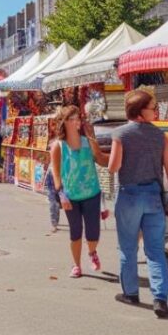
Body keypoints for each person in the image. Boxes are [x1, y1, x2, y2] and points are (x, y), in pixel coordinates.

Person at [108, 89, 168, 318]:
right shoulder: (159, 136)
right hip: (153, 197)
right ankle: (160, 299)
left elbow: (113, 167)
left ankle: (131, 292)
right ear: (140, 111)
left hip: (129, 196)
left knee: (128, 247)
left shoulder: (120, 133)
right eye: (152, 107)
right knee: (155, 250)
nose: (155, 111)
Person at [50, 105, 108, 279]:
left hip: (91, 193)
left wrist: (92, 137)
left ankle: (92, 251)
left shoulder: (87, 140)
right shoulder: (58, 146)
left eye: (78, 118)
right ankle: (76, 265)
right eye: (72, 118)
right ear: (64, 122)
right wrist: (61, 195)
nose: (76, 122)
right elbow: (56, 174)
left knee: (93, 232)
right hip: (71, 196)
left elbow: (99, 158)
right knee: (75, 231)